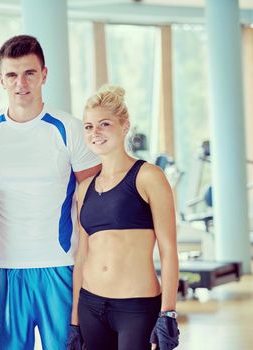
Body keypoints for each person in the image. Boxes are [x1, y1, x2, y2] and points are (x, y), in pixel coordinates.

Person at [0, 35, 102, 350]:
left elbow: (95, 205)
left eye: (29, 73)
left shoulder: (69, 129)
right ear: (1, 79)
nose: (21, 83)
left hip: (60, 265)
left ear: (44, 74)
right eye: (12, 75)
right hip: (4, 270)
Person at [69, 85, 180, 350]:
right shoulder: (85, 188)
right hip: (91, 305)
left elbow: (168, 250)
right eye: (88, 126)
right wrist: (74, 321)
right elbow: (82, 256)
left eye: (104, 124)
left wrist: (169, 312)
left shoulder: (148, 176)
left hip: (136, 309)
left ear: (124, 126)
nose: (95, 133)